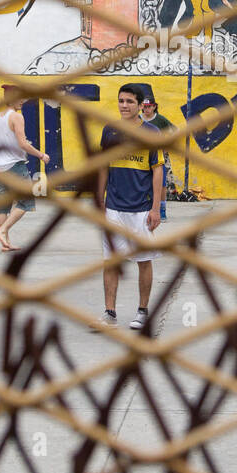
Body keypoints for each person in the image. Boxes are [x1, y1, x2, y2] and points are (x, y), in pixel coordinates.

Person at [92, 83, 164, 332]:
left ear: (140, 105)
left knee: (143, 260)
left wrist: (156, 208)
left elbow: (157, 171)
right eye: (121, 100)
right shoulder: (109, 130)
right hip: (113, 208)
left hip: (141, 209)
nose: (124, 105)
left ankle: (142, 311)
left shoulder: (152, 132)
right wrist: (99, 201)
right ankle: (109, 312)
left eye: (129, 102)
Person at [0, 83, 48, 252]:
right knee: (26, 201)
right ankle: (2, 230)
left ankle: (5, 243)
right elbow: (22, 144)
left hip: (0, 168)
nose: (23, 101)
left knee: (2, 206)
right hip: (15, 166)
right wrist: (41, 155)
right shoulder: (16, 117)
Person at [139, 88, 176, 221]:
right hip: (143, 155)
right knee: (142, 180)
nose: (147, 109)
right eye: (144, 106)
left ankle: (162, 209)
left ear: (154, 107)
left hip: (160, 154)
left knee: (162, 183)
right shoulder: (138, 119)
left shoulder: (160, 120)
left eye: (149, 106)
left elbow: (174, 131)